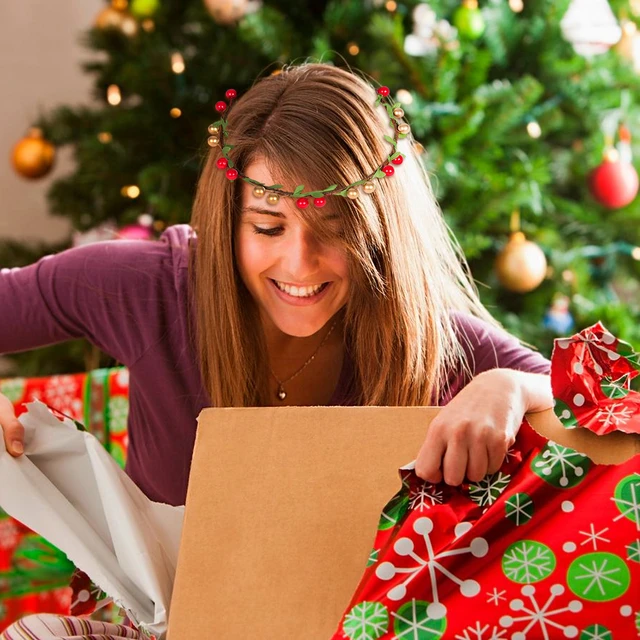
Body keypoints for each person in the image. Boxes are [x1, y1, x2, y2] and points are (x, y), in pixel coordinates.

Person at [0, 62, 552, 639]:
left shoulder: (428, 338)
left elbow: (615, 401)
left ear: (381, 230)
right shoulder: (152, 290)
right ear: (228, 220)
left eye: (336, 229)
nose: (299, 264)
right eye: (268, 228)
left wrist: (510, 386)